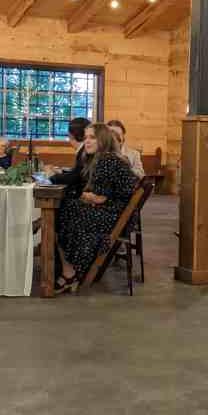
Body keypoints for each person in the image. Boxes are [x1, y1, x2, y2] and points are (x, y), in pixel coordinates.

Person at [55, 123, 138, 293]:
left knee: (63, 212)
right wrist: (84, 196)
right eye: (85, 137)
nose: (87, 141)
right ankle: (69, 268)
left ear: (103, 140)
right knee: (66, 209)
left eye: (92, 137)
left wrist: (84, 196)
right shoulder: (104, 158)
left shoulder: (107, 160)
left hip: (114, 217)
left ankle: (69, 271)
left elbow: (99, 198)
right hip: (115, 212)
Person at [50, 117, 91, 197]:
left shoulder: (84, 151)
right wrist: (61, 172)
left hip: (81, 195)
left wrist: (52, 177)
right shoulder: (83, 149)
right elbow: (78, 172)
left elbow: (74, 178)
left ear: (71, 135)